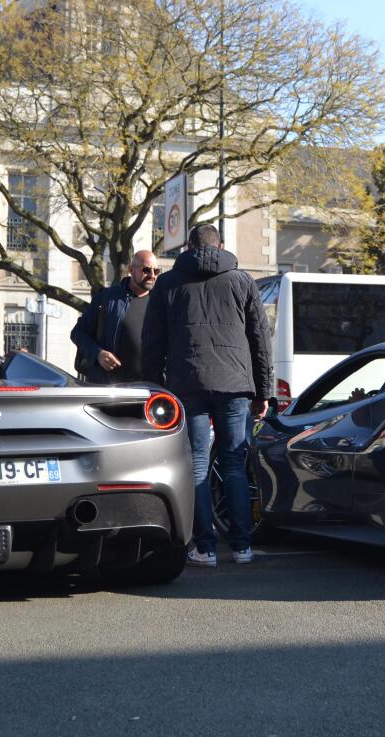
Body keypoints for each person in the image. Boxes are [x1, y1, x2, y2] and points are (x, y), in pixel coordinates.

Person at [142, 223, 273, 567]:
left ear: (187, 246)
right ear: (222, 245)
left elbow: (152, 341)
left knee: (197, 463)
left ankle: (206, 547)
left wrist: (153, 388)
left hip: (188, 383)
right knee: (233, 464)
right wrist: (264, 392)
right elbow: (260, 340)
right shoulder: (242, 281)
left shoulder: (169, 283)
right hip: (235, 384)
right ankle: (242, 546)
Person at [71, 250, 161, 384]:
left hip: (150, 388)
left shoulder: (161, 302)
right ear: (131, 269)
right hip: (110, 387)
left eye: (156, 271)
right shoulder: (107, 298)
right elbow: (78, 333)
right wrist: (98, 354)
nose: (152, 275)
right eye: (146, 270)